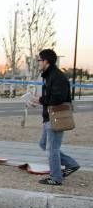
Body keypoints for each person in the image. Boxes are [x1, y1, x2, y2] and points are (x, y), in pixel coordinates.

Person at [31, 49, 80, 186]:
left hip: (56, 118)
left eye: (39, 60)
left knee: (52, 149)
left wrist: (40, 100)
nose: (38, 63)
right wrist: (37, 101)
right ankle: (71, 164)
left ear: (46, 61)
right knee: (43, 144)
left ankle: (56, 178)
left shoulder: (57, 76)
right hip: (49, 117)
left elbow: (57, 98)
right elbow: (51, 98)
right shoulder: (49, 75)